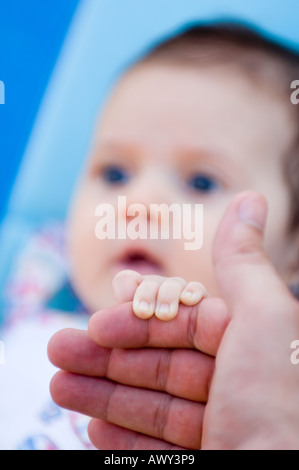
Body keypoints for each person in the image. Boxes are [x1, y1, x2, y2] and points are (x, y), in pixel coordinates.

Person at [47, 21, 299, 449]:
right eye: (115, 173)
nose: (139, 205)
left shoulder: (269, 384)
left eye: (201, 183)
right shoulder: (25, 288)